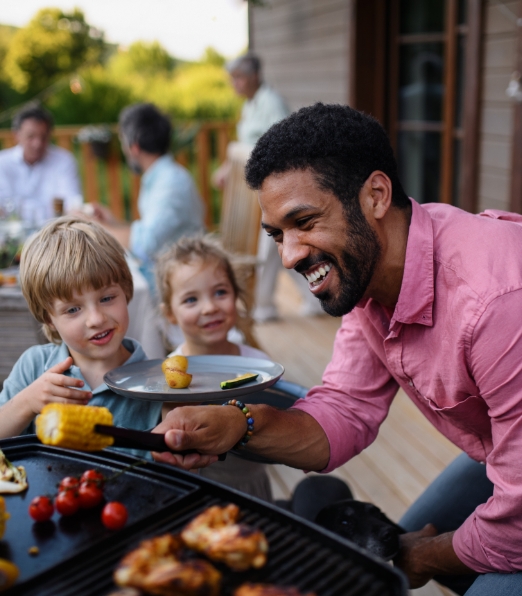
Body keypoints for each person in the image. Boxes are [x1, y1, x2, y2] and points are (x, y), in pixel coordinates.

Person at [152, 103, 522, 595]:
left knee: (429, 561)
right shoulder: (368, 278)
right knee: (388, 560)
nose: (288, 255)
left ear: (375, 195)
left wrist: (428, 556)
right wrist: (236, 425)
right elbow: (345, 409)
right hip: (503, 451)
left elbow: (514, 527)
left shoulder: (495, 303)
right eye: (276, 234)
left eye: (304, 221)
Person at [0, 216, 162, 458]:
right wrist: (27, 403)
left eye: (106, 298)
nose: (96, 319)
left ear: (127, 291)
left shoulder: (156, 383)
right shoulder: (34, 366)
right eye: (73, 309)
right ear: (49, 319)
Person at [155, 235, 272, 500]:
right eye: (191, 300)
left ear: (236, 294)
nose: (209, 307)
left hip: (253, 486)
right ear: (170, 313)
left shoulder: (259, 364)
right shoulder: (169, 376)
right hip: (199, 492)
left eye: (220, 292)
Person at [213, 53, 322, 322]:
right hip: (258, 190)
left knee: (271, 247)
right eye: (233, 78)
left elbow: (285, 146)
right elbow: (246, 145)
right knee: (278, 249)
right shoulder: (250, 106)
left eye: (239, 77)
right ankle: (312, 300)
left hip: (277, 189)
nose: (235, 83)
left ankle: (261, 306)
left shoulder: (271, 104)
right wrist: (229, 168)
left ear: (255, 77)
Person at [89, 103, 204, 292]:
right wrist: (112, 222)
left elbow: (146, 245)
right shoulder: (160, 176)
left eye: (122, 142)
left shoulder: (171, 182)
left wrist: (93, 226)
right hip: (169, 270)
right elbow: (149, 234)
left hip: (181, 281)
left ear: (133, 147)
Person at [0, 105, 82, 227]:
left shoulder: (64, 161)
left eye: (43, 137)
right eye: (31, 136)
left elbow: (73, 203)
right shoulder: (3, 162)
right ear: (16, 135)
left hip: (54, 234)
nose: (37, 143)